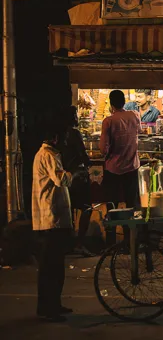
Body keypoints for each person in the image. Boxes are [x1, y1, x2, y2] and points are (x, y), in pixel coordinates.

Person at [32, 125, 80, 322]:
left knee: (54, 265)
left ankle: (52, 304)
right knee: (51, 266)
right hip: (51, 217)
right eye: (64, 137)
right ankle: (49, 308)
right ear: (55, 138)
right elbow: (61, 181)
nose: (66, 142)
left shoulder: (46, 153)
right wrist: (74, 173)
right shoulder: (49, 155)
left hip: (52, 216)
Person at [57, 106, 93, 257]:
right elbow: (83, 155)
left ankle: (68, 243)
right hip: (77, 176)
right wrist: (88, 163)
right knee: (86, 208)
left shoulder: (59, 134)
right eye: (75, 114)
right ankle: (79, 243)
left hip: (65, 177)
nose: (77, 117)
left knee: (69, 210)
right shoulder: (74, 133)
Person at [100, 90, 142, 211]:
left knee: (112, 204)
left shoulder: (108, 121)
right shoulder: (135, 115)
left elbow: (103, 149)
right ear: (124, 102)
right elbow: (139, 131)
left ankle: (112, 228)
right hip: (132, 167)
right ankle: (131, 228)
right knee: (132, 203)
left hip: (113, 168)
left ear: (111, 104)